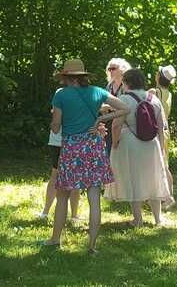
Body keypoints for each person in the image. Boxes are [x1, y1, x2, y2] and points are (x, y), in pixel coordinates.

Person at [40, 59, 129, 253]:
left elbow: (56, 126)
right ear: (82, 76)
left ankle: (55, 239)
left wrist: (54, 123)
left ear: (66, 77)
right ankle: (92, 246)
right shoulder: (97, 92)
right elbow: (125, 108)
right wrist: (100, 118)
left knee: (62, 195)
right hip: (94, 145)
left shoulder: (61, 95)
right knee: (94, 197)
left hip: (71, 146)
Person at [105, 69, 170, 226]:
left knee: (133, 180)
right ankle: (158, 218)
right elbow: (161, 127)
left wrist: (114, 144)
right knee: (153, 180)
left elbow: (116, 125)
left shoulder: (124, 99)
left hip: (130, 143)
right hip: (151, 143)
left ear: (126, 82)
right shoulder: (153, 98)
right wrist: (161, 149)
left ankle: (138, 219)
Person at [37, 79, 81, 223]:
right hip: (71, 140)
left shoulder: (61, 93)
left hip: (63, 139)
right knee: (68, 177)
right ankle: (69, 215)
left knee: (60, 176)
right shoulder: (85, 93)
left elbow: (56, 120)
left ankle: (69, 214)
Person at [148, 64, 176, 209]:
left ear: (159, 77)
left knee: (160, 163)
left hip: (156, 130)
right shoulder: (168, 93)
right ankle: (168, 195)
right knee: (164, 162)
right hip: (165, 130)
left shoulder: (154, 91)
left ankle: (168, 196)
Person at [103, 58, 131, 154]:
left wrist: (109, 107)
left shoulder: (127, 86)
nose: (110, 71)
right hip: (109, 123)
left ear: (122, 69)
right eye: (109, 69)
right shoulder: (109, 86)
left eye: (113, 68)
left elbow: (128, 106)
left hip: (123, 124)